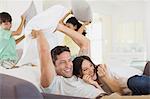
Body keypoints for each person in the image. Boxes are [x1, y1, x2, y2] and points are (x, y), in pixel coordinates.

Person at [32, 22, 107, 98]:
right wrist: (39, 32)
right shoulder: (54, 83)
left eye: (69, 60)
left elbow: (86, 43)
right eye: (62, 62)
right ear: (53, 65)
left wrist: (59, 27)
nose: (68, 65)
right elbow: (44, 51)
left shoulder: (77, 70)